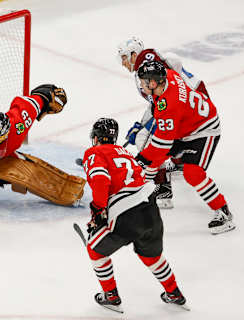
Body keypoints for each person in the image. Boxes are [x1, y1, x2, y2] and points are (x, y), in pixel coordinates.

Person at [81, 118, 187, 313]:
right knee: (152, 256)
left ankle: (111, 297)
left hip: (126, 212)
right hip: (150, 207)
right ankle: (174, 293)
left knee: (94, 250)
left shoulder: (93, 152)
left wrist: (98, 210)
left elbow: (101, 179)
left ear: (95, 138)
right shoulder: (127, 154)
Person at [135, 61, 235, 234]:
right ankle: (144, 199)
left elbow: (162, 145)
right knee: (152, 163)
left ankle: (224, 213)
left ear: (153, 83)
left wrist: (141, 158)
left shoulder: (170, 105)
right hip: (183, 125)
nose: (141, 85)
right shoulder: (168, 76)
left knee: (192, 173)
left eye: (143, 82)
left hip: (204, 130)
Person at [117, 36, 210, 210]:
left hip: (188, 106)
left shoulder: (146, 59)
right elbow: (158, 103)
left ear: (134, 53)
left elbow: (165, 98)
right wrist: (142, 123)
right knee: (158, 136)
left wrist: (144, 127)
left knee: (146, 140)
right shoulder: (145, 66)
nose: (122, 63)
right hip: (192, 103)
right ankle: (180, 159)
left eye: (124, 57)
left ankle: (163, 187)